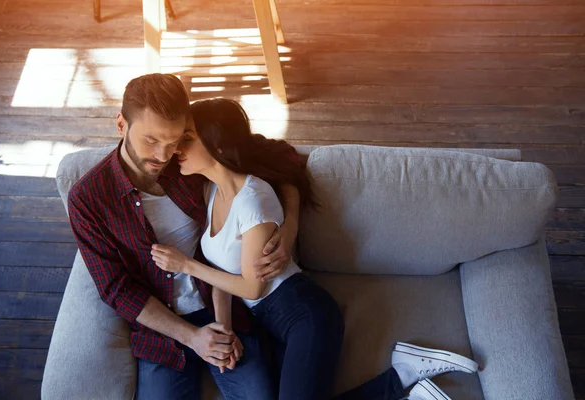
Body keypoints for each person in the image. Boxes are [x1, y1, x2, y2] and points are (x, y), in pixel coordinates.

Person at [151, 98, 479, 400]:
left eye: (188, 138)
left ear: (217, 142)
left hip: (303, 314)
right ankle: (406, 374)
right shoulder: (210, 192)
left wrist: (186, 266)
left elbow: (253, 285)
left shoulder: (252, 199)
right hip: (268, 323)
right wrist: (224, 327)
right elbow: (222, 273)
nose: (178, 147)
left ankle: (403, 376)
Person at [67, 74, 300, 400]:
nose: (164, 155)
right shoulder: (89, 198)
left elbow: (284, 157)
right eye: (151, 140)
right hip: (163, 333)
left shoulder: (191, 158)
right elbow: (116, 290)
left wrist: (289, 228)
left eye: (174, 140)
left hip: (223, 308)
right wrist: (192, 337)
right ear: (121, 124)